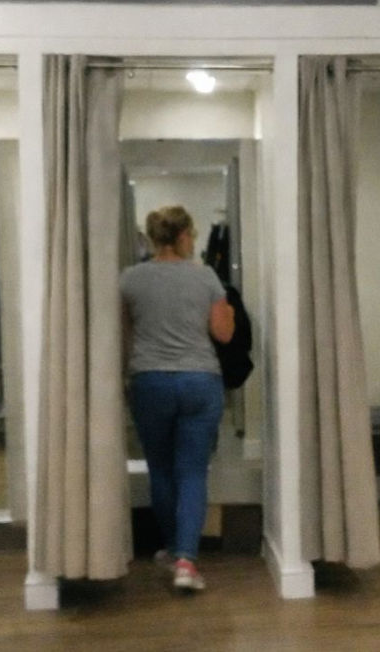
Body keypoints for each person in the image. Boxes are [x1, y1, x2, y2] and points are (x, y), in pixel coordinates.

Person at [120, 205, 234, 593]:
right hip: (199, 381)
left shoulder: (130, 279)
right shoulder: (206, 277)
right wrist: (230, 314)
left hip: (149, 381)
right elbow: (224, 334)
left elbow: (124, 337)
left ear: (154, 238)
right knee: (192, 472)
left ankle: (172, 550)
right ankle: (187, 561)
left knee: (161, 470)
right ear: (184, 235)